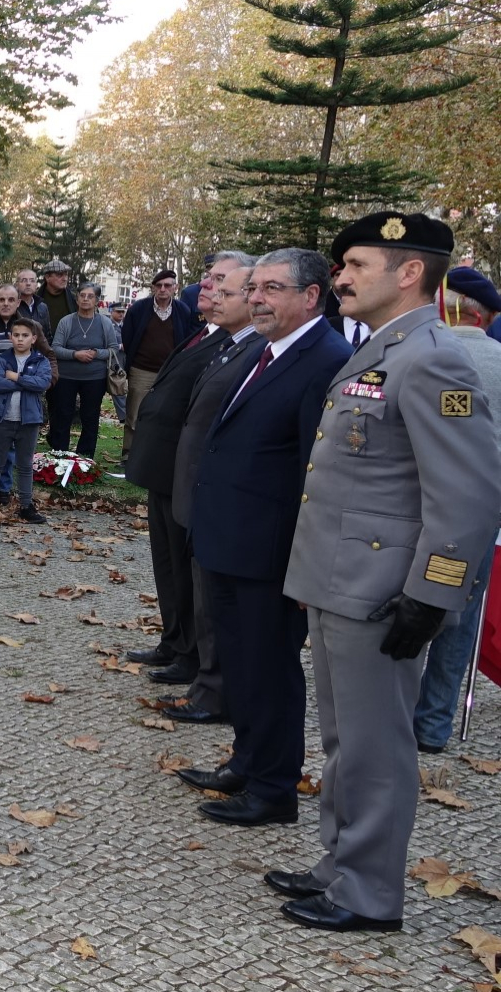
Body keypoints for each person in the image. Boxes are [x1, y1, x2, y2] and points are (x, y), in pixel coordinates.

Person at [274, 213, 500, 933]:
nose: (340, 276)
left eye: (357, 264)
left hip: (382, 592)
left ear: (410, 273)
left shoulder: (431, 357)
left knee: (376, 747)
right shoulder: (382, 348)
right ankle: (340, 865)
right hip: (342, 583)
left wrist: (431, 595)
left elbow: (465, 491)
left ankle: (369, 895)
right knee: (346, 742)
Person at [188, 248, 351, 829]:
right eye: (253, 287)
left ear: (310, 297)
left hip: (271, 551)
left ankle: (274, 788)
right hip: (233, 540)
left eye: (272, 288)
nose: (256, 298)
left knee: (270, 669)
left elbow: (319, 470)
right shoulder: (267, 350)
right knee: (243, 663)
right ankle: (248, 761)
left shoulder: (326, 359)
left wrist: (308, 561)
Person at [121, 252, 251, 683]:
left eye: (219, 280)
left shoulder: (239, 344)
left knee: (183, 565)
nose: (207, 287)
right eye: (208, 278)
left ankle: (189, 652)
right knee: (167, 564)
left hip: (184, 470)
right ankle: (173, 639)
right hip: (164, 468)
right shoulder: (206, 334)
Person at [161, 262, 262, 726]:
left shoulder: (253, 349)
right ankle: (207, 680)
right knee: (202, 592)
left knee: (214, 597)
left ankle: (215, 687)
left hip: (220, 496)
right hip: (192, 486)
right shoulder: (229, 346)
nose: (213, 293)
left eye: (226, 287)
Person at [410, 266, 501, 752]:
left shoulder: (431, 354)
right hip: (481, 516)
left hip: (418, 507)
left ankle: (396, 711)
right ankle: (434, 724)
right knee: (459, 619)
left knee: (406, 608)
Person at [0, 285, 55, 504]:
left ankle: (3, 488)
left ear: (18, 302)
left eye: (11, 299)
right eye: (1, 299)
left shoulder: (30, 327)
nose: (6, 303)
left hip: (19, 399)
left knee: (10, 447)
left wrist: (46, 382)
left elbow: (48, 356)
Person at [119, 269, 199, 459]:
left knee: (165, 414)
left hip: (169, 372)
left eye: (168, 285)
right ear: (153, 287)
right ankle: (129, 454)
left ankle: (154, 455)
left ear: (175, 288)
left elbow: (186, 339)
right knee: (135, 414)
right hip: (141, 370)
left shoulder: (182, 310)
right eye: (159, 285)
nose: (163, 289)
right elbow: (127, 337)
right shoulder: (139, 308)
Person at [47, 283, 120, 459]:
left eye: (90, 296)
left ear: (97, 301)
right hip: (66, 376)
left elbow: (113, 349)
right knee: (62, 414)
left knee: (90, 416)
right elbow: (55, 348)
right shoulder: (67, 321)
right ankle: (59, 453)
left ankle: (85, 457)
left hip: (95, 378)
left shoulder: (105, 323)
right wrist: (75, 354)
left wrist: (95, 353)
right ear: (77, 298)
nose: (86, 299)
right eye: (82, 295)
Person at [38, 259, 74, 329]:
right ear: (47, 277)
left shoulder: (74, 298)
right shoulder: (35, 299)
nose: (65, 279)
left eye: (66, 275)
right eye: (59, 275)